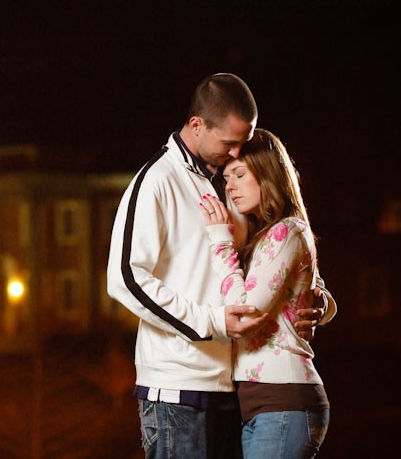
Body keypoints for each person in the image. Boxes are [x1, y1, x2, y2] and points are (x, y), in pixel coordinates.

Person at [106, 73, 335, 459]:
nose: (234, 155)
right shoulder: (157, 180)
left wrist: (318, 301)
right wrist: (211, 321)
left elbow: (276, 256)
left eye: (241, 147)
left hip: (233, 391)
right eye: (229, 144)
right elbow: (125, 278)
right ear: (197, 125)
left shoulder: (224, 182)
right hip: (178, 392)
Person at [200, 129, 330, 458]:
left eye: (240, 175)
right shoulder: (264, 236)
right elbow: (315, 290)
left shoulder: (286, 230)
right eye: (227, 178)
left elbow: (246, 310)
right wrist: (324, 304)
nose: (230, 186)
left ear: (269, 174)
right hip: (262, 405)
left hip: (284, 401)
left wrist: (221, 241)